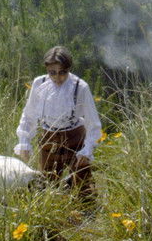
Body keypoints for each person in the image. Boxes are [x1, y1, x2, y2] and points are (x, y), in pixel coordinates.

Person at [14, 46, 102, 203]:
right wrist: (24, 141)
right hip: (49, 138)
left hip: (74, 137)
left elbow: (93, 123)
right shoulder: (40, 83)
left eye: (62, 72)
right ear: (47, 70)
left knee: (82, 184)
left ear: (69, 69)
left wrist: (87, 149)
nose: (57, 77)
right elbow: (29, 114)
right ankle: (53, 213)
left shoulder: (80, 87)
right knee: (47, 183)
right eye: (52, 72)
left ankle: (86, 213)